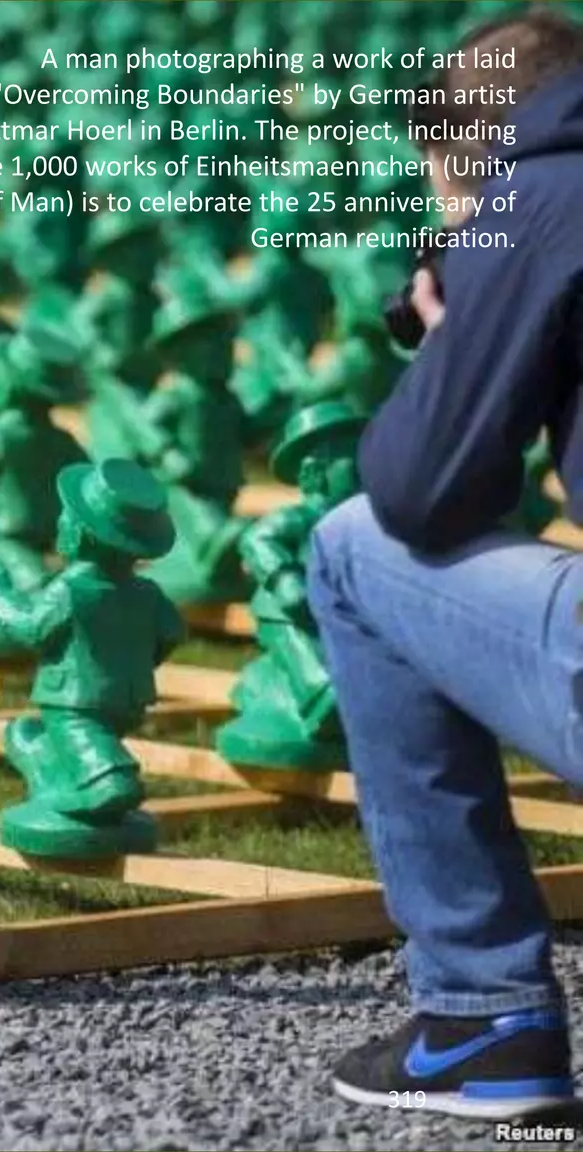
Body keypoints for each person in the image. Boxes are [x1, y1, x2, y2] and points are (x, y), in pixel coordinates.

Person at [309, 11, 583, 1119]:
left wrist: (451, 328)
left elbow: (425, 495)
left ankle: (483, 1015)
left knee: (348, 549)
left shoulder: (541, 192)